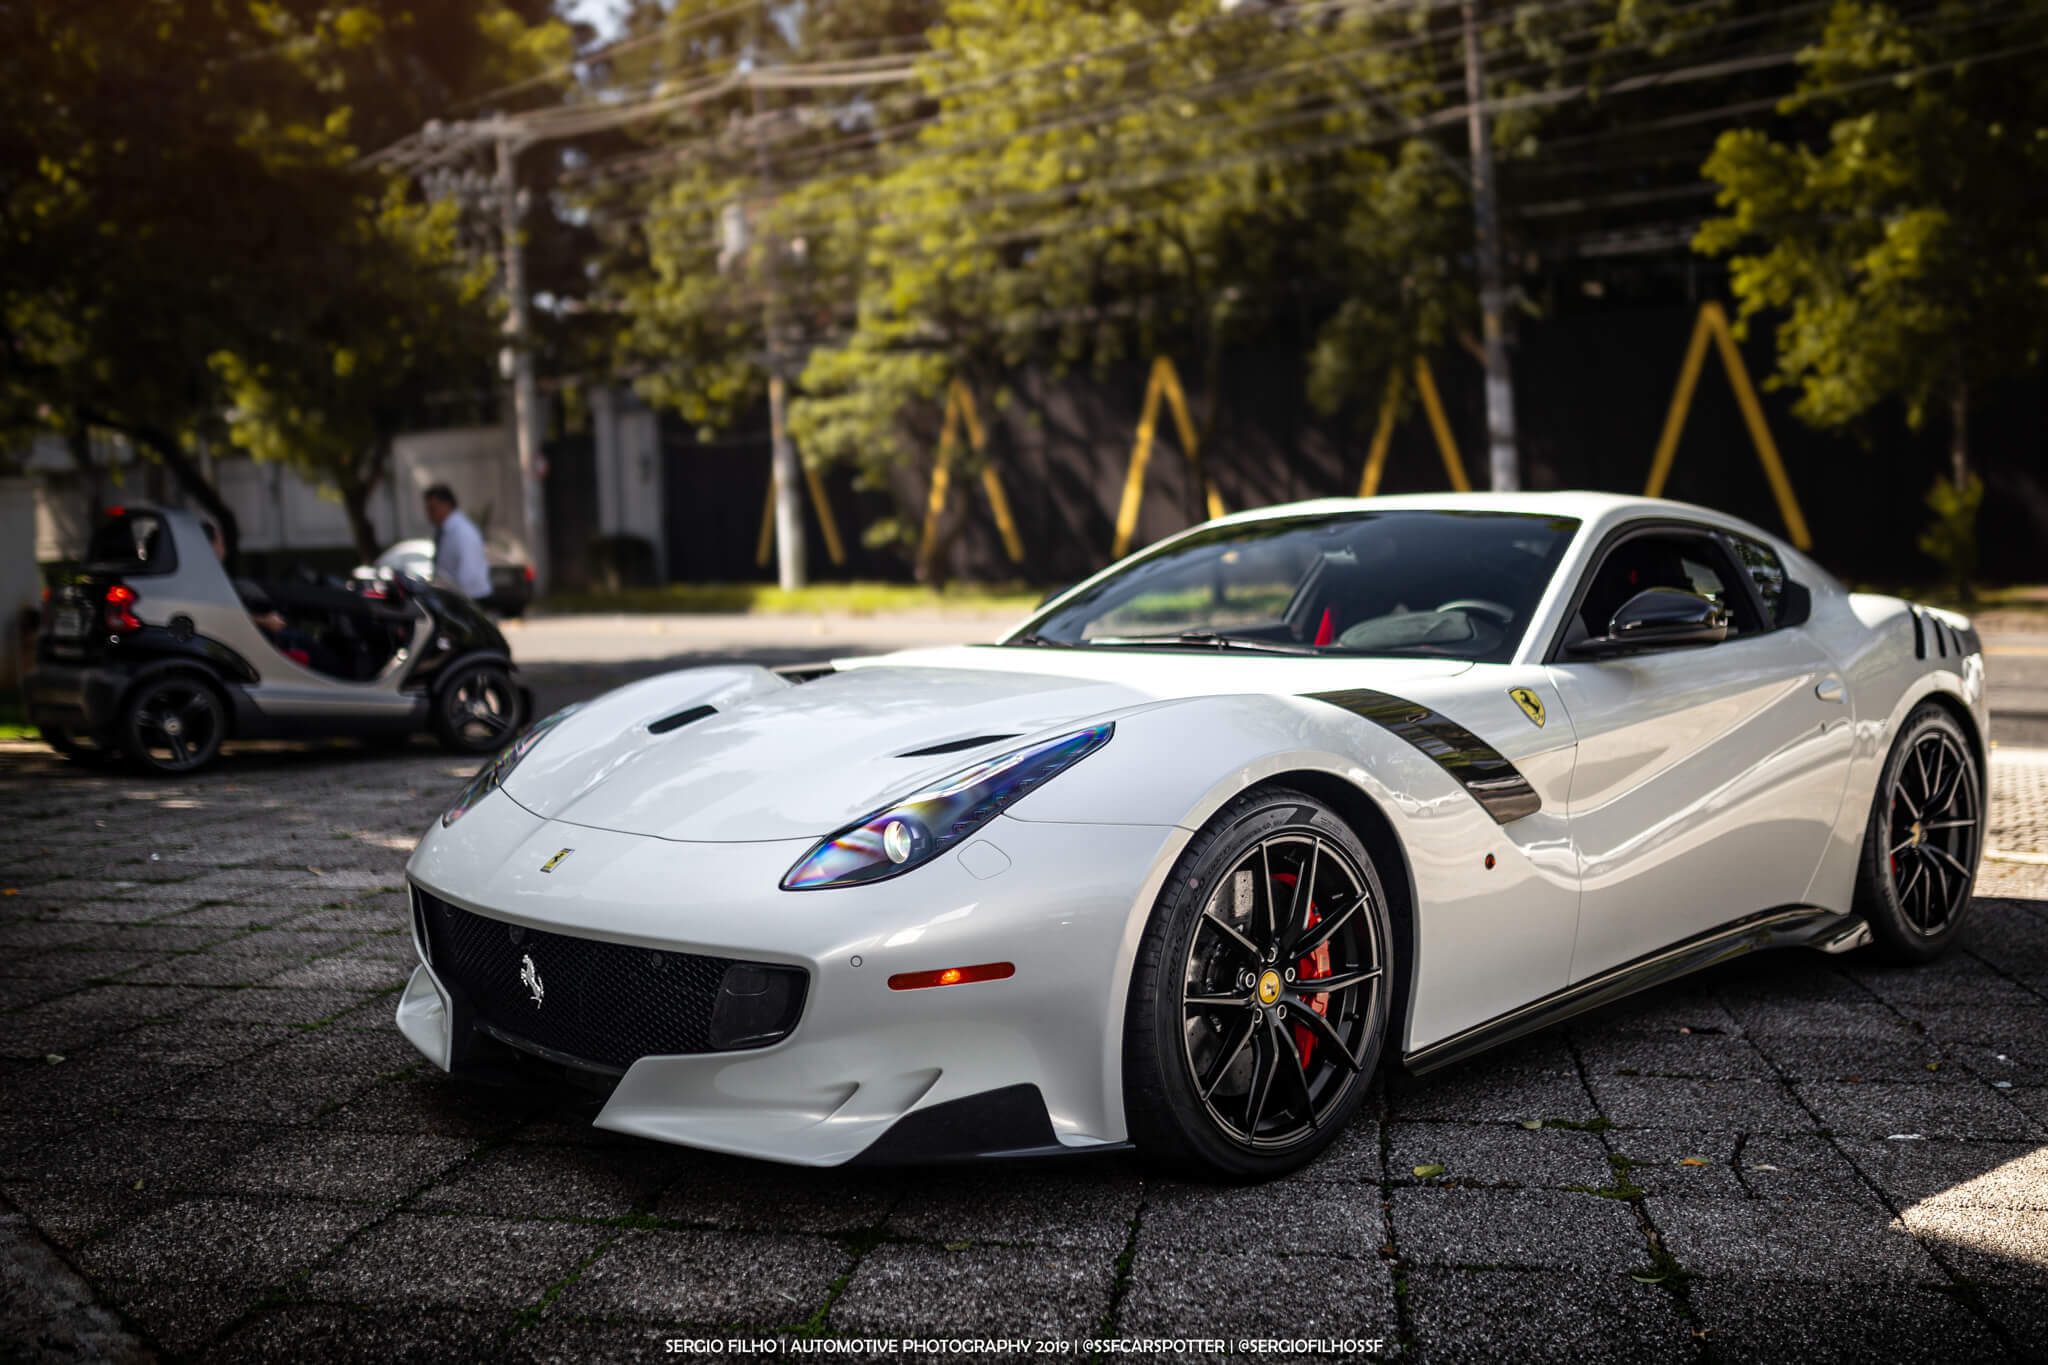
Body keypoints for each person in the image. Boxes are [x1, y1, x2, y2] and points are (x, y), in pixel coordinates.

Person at [423, 484, 491, 599]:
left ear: (447, 505)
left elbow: (469, 574)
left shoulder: (462, 531)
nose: (429, 514)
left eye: (432, 509)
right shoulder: (445, 531)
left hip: (469, 600)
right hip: (455, 598)